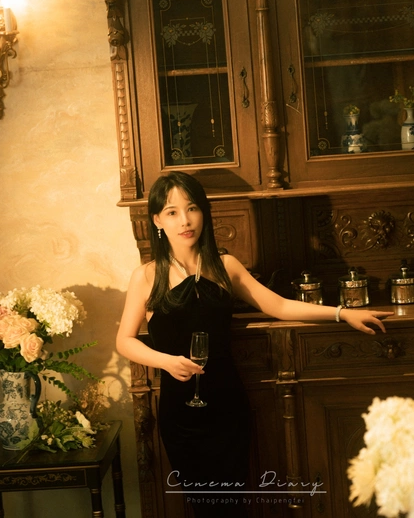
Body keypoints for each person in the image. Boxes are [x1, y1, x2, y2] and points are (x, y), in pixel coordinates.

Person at [117, 171, 394, 517]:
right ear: (158, 220)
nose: (185, 220)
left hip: (228, 405)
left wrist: (343, 313)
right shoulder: (147, 276)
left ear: (204, 211)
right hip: (181, 413)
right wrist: (166, 362)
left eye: (192, 208)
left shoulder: (225, 266)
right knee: (204, 508)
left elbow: (279, 306)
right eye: (172, 212)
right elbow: (125, 340)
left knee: (234, 506)